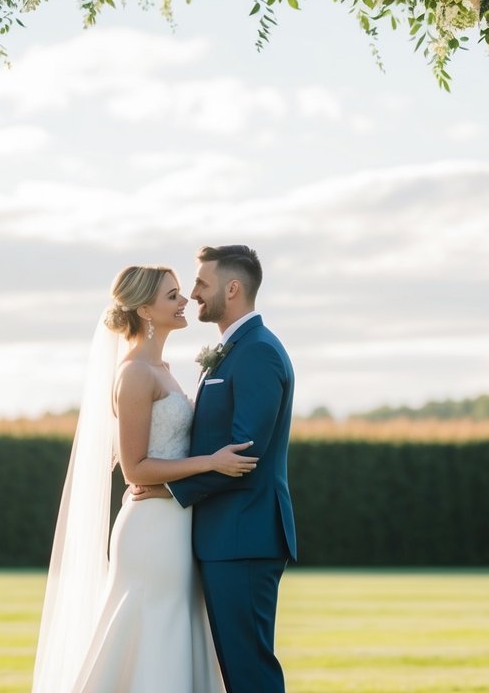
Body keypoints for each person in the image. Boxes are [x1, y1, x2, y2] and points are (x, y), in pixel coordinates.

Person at [32, 265, 254, 693]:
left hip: (176, 523)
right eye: (172, 295)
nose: (184, 300)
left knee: (175, 627)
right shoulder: (134, 373)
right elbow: (134, 467)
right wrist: (210, 462)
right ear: (146, 310)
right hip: (151, 529)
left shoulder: (164, 368)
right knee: (155, 631)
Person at [132, 245, 297, 693]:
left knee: (249, 671)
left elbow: (244, 454)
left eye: (202, 284)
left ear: (233, 288)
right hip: (225, 536)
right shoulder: (234, 350)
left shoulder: (258, 352)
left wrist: (171, 489)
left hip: (243, 536)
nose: (194, 294)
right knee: (235, 670)